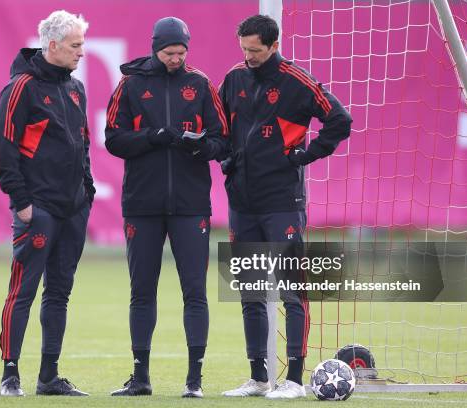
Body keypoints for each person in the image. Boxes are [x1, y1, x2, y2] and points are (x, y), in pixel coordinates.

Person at [218, 15, 352, 399]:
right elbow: (223, 129)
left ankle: (294, 379)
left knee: (292, 290)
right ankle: (258, 378)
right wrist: (226, 156)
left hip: (282, 203)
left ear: (274, 46)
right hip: (242, 202)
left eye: (255, 51)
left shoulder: (297, 81)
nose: (248, 57)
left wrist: (306, 155)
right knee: (250, 292)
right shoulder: (234, 79)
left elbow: (340, 120)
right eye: (244, 49)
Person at [105, 16, 228, 398]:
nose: (175, 59)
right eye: (169, 52)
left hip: (191, 206)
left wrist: (201, 147)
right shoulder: (130, 84)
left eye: (181, 52)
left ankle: (195, 381)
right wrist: (153, 137)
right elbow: (113, 139)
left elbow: (223, 140)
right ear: (155, 47)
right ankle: (140, 377)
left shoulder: (202, 84)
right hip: (142, 205)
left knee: (195, 291)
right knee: (142, 291)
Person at [0, 10, 95, 397]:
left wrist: (88, 191)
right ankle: (10, 374)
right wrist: (22, 203)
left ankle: (49, 377)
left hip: (73, 209)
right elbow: (3, 154)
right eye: (75, 46)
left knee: (60, 293)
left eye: (83, 45)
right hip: (39, 208)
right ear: (52, 45)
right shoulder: (21, 88)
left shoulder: (75, 89)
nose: (81, 53)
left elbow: (82, 145)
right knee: (24, 290)